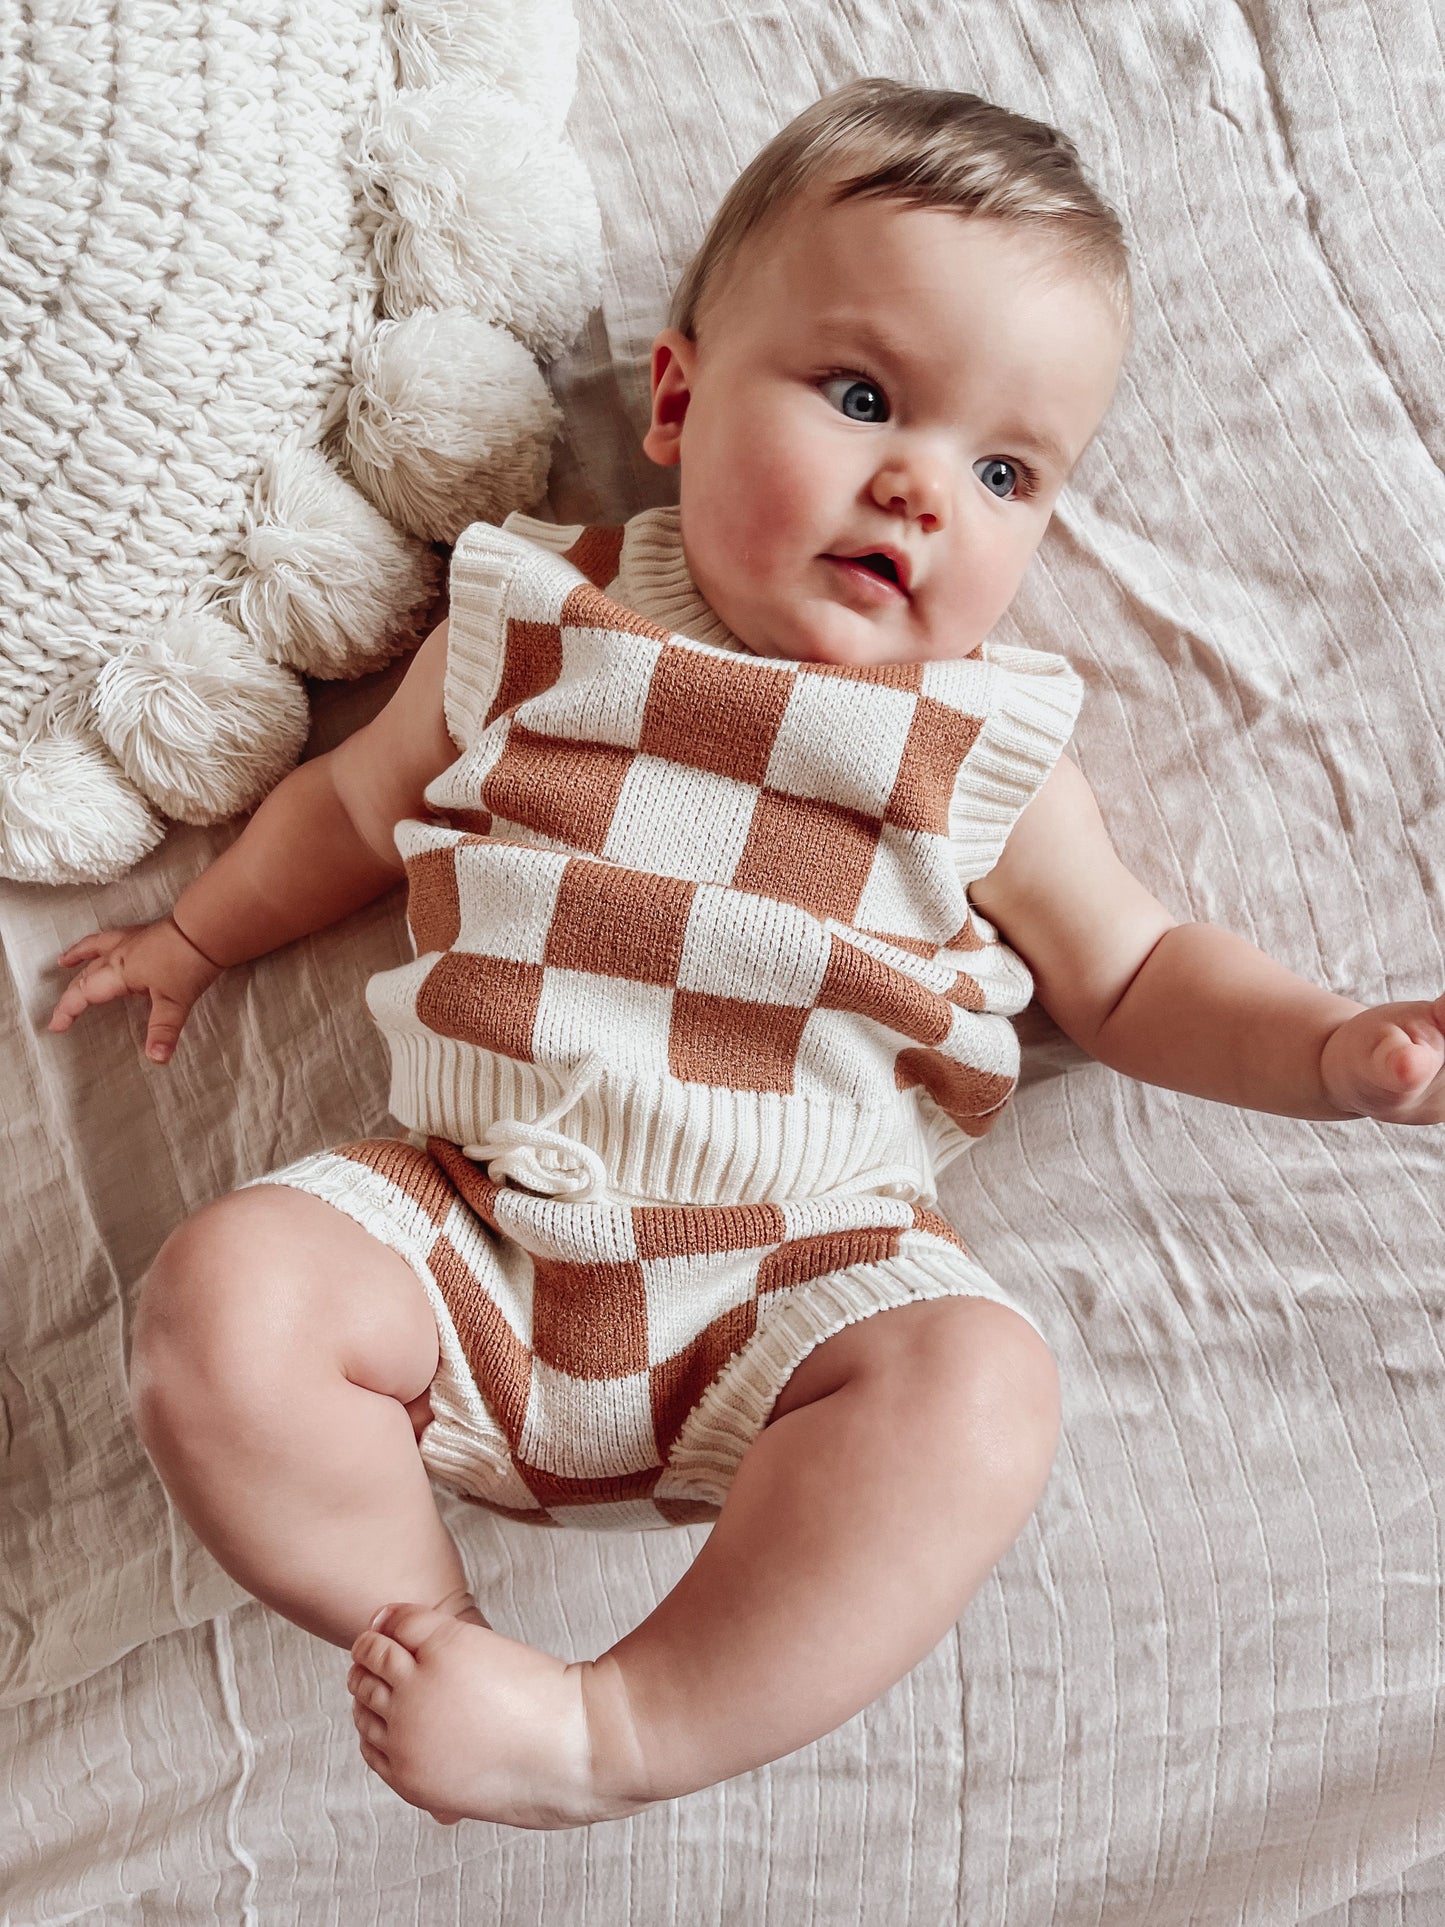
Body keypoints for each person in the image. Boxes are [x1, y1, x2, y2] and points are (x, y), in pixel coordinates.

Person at [47, 79, 1445, 1832]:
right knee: (224, 1298)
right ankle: (441, 1641)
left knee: (981, 1387)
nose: (919, 489)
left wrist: (1328, 1052)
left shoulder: (978, 740)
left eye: (1003, 470)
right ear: (678, 394)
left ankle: (613, 1734)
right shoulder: (532, 618)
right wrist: (193, 933)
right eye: (864, 396)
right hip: (466, 1239)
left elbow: (1135, 974)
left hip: (795, 1288)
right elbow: (346, 814)